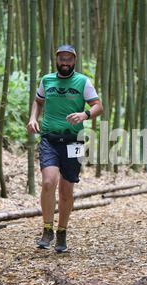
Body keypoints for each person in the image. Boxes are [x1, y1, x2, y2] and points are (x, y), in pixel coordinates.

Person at [27, 44, 103, 253]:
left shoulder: (83, 81)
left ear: (74, 61)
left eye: (69, 59)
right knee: (49, 182)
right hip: (49, 139)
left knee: (67, 189)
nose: (65, 63)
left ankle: (62, 231)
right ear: (57, 60)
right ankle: (47, 228)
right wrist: (33, 118)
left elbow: (98, 106)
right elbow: (38, 101)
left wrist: (84, 115)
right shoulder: (47, 80)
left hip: (74, 141)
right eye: (62, 59)